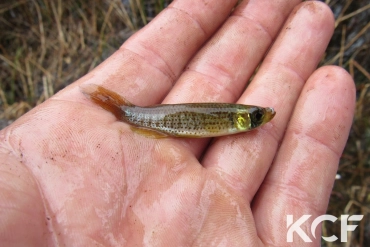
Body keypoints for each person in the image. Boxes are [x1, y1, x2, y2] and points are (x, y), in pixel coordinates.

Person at [0, 0, 355, 246]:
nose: (265, 118)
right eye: (259, 116)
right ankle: (121, 110)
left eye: (259, 115)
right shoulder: (235, 118)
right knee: (131, 112)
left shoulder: (237, 119)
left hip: (152, 117)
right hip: (149, 117)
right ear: (243, 119)